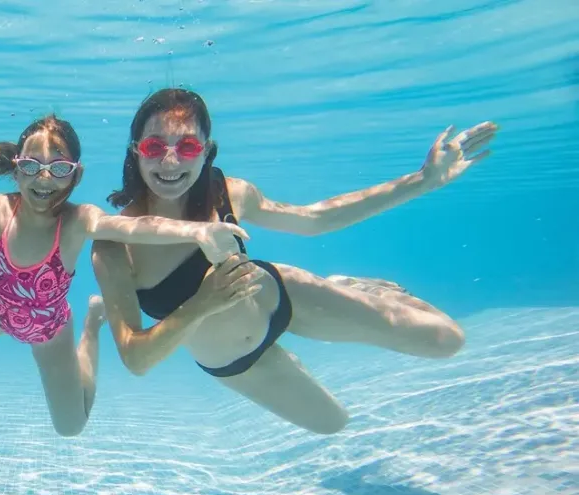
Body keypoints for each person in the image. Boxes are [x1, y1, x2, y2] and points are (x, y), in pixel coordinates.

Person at [90, 88, 497, 435]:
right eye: (154, 147)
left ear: (207, 151)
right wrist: (203, 303)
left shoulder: (227, 193)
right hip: (236, 362)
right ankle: (337, 295)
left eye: (188, 147)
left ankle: (351, 286)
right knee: (332, 423)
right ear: (135, 152)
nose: (170, 162)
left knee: (447, 340)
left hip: (284, 297)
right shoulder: (114, 245)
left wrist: (422, 180)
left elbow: (315, 219)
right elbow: (137, 359)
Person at [0, 114, 247, 437]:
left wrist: (195, 231)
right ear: (16, 169)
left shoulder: (77, 221)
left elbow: (133, 228)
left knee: (71, 427)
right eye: (31, 166)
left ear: (75, 175)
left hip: (49, 332)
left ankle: (92, 325)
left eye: (59, 168)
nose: (44, 178)